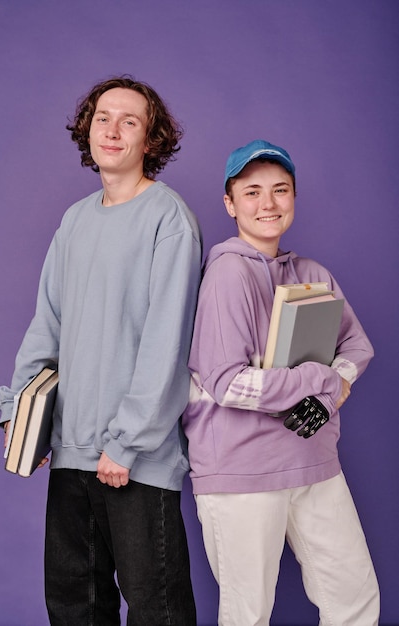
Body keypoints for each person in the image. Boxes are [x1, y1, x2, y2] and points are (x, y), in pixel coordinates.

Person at [0, 76, 201, 625]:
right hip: (69, 452)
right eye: (102, 117)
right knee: (74, 609)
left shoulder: (169, 219)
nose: (112, 130)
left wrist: (127, 442)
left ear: (150, 139)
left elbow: (167, 340)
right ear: (87, 129)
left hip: (134, 461)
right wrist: (24, 418)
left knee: (157, 610)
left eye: (129, 121)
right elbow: (48, 325)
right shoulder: (75, 221)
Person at [182, 139, 380, 625]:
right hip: (242, 472)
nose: (267, 204)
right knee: (248, 614)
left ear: (294, 197)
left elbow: (358, 347)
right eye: (251, 192)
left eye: (280, 190)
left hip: (314, 462)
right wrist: (323, 381)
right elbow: (228, 384)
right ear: (230, 204)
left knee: (353, 599)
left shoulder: (312, 274)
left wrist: (333, 389)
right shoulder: (226, 274)